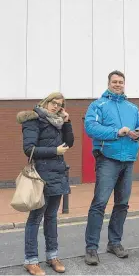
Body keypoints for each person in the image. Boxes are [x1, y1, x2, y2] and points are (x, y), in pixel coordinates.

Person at [84, 70, 139, 265]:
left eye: (121, 82)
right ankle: (91, 248)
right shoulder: (98, 105)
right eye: (115, 82)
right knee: (99, 203)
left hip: (128, 160)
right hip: (107, 159)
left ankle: (114, 243)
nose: (118, 84)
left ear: (124, 84)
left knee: (122, 204)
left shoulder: (132, 107)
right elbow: (90, 128)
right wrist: (116, 132)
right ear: (109, 83)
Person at [17, 92, 74, 276]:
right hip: (40, 177)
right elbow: (29, 149)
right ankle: (31, 260)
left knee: (52, 218)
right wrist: (54, 150)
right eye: (53, 102)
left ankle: (52, 256)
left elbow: (69, 143)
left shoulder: (58, 121)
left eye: (60, 104)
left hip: (57, 174)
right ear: (46, 101)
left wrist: (67, 122)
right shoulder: (33, 120)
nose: (56, 106)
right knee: (35, 218)